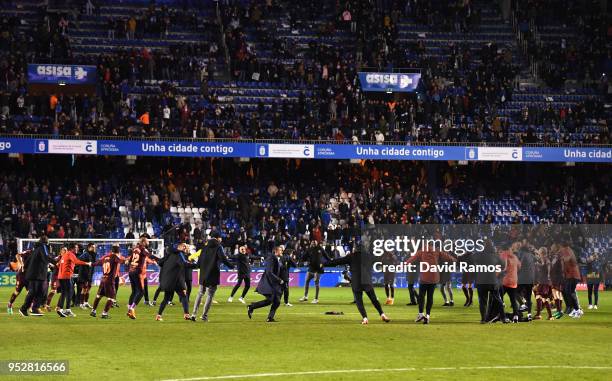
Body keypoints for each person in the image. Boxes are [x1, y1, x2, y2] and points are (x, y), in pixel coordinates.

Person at [324, 247, 390, 325]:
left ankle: (365, 318)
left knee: (359, 301)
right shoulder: (368, 256)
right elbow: (379, 259)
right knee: (374, 299)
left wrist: (324, 264)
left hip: (356, 281)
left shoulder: (351, 256)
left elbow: (337, 261)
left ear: (354, 250)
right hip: (366, 280)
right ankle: (382, 314)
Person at [191, 232, 234, 321]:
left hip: (203, 274)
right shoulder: (218, 247)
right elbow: (223, 259)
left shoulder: (204, 247)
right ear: (218, 238)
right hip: (213, 274)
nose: (221, 240)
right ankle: (204, 316)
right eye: (220, 238)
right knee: (210, 295)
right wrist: (231, 266)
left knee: (200, 293)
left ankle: (193, 314)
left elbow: (199, 263)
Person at [406, 248, 457, 324]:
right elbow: (449, 257)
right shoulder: (437, 251)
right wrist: (455, 259)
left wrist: (404, 264)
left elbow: (412, 259)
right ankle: (428, 316)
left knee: (422, 296)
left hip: (424, 277)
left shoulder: (422, 251)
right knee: (430, 296)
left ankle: (421, 314)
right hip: (434, 277)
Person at [247, 246, 285, 322]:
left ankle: (270, 317)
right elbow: (269, 272)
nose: (282, 252)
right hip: (269, 283)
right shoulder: (271, 258)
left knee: (276, 301)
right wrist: (279, 280)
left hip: (275, 284)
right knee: (270, 300)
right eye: (281, 250)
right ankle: (251, 307)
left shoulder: (278, 259)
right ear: (276, 251)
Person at [156, 243, 192, 321]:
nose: (185, 248)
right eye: (184, 246)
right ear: (180, 247)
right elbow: (184, 264)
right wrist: (197, 265)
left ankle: (158, 315)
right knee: (184, 296)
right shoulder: (180, 253)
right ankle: (186, 314)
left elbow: (160, 262)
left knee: (166, 298)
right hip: (176, 280)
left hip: (168, 280)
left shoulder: (170, 254)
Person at [19, 236, 53, 317]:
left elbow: (29, 260)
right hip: (37, 274)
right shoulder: (43, 247)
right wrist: (55, 262)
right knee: (36, 291)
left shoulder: (36, 249)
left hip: (35, 274)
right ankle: (27, 308)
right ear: (46, 241)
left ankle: (33, 309)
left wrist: (25, 268)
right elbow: (46, 257)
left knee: (38, 291)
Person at [473, 240, 505, 323]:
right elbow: (503, 265)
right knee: (498, 300)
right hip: (492, 281)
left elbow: (471, 260)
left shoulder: (479, 255)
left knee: (482, 301)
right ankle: (503, 318)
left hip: (481, 282)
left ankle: (483, 319)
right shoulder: (495, 256)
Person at [90, 244, 125, 319]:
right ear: (118, 251)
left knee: (99, 295)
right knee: (112, 297)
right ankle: (104, 313)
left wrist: (91, 264)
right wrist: (127, 260)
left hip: (103, 279)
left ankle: (93, 311)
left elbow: (96, 263)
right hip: (109, 280)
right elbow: (121, 261)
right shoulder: (115, 257)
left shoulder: (105, 257)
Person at [56, 245, 91, 317]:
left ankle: (60, 308)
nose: (77, 249)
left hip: (61, 276)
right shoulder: (70, 254)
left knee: (64, 293)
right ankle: (67, 310)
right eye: (75, 247)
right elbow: (76, 261)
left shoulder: (65, 255)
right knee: (70, 292)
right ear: (72, 248)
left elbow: (58, 264)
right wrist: (87, 263)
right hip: (66, 276)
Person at [126, 237, 156, 319]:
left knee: (134, 291)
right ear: (143, 242)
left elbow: (130, 259)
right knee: (141, 291)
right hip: (137, 272)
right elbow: (150, 255)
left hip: (131, 271)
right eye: (147, 241)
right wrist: (160, 259)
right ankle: (132, 308)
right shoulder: (143, 249)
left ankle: (129, 309)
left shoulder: (135, 249)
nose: (148, 243)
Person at [559, 241, 583, 318]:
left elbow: (567, 258)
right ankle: (574, 309)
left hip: (573, 275)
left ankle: (578, 310)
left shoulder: (567, 250)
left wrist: (561, 258)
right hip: (570, 275)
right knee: (567, 291)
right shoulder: (566, 250)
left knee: (570, 292)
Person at [500, 242, 522, 323]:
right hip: (514, 280)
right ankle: (516, 317)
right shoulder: (515, 257)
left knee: (499, 298)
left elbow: (504, 267)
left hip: (505, 281)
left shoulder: (504, 254)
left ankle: (500, 315)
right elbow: (520, 266)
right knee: (513, 299)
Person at [7, 249, 32, 315]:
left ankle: (28, 308)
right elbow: (17, 255)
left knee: (30, 293)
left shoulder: (38, 255)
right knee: (17, 292)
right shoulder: (28, 252)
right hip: (21, 276)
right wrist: (22, 264)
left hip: (29, 276)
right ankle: (9, 305)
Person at [516, 241, 536, 320]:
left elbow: (519, 266)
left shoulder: (522, 255)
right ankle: (529, 315)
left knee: (514, 292)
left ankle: (523, 304)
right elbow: (538, 260)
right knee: (528, 297)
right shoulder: (531, 255)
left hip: (522, 278)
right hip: (530, 279)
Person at [533, 247, 554, 320]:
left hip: (545, 282)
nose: (538, 254)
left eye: (539, 252)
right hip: (542, 282)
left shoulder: (546, 260)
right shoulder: (543, 259)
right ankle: (538, 315)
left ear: (542, 253)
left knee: (543, 299)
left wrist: (537, 265)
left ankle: (550, 316)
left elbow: (546, 266)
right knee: (539, 297)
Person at [77, 243, 97, 309]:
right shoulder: (85, 254)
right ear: (89, 248)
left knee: (88, 289)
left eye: (94, 247)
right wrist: (85, 264)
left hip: (89, 274)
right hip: (84, 274)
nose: (94, 249)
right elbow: (79, 259)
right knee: (84, 289)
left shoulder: (92, 254)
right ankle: (81, 304)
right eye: (93, 247)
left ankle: (86, 302)